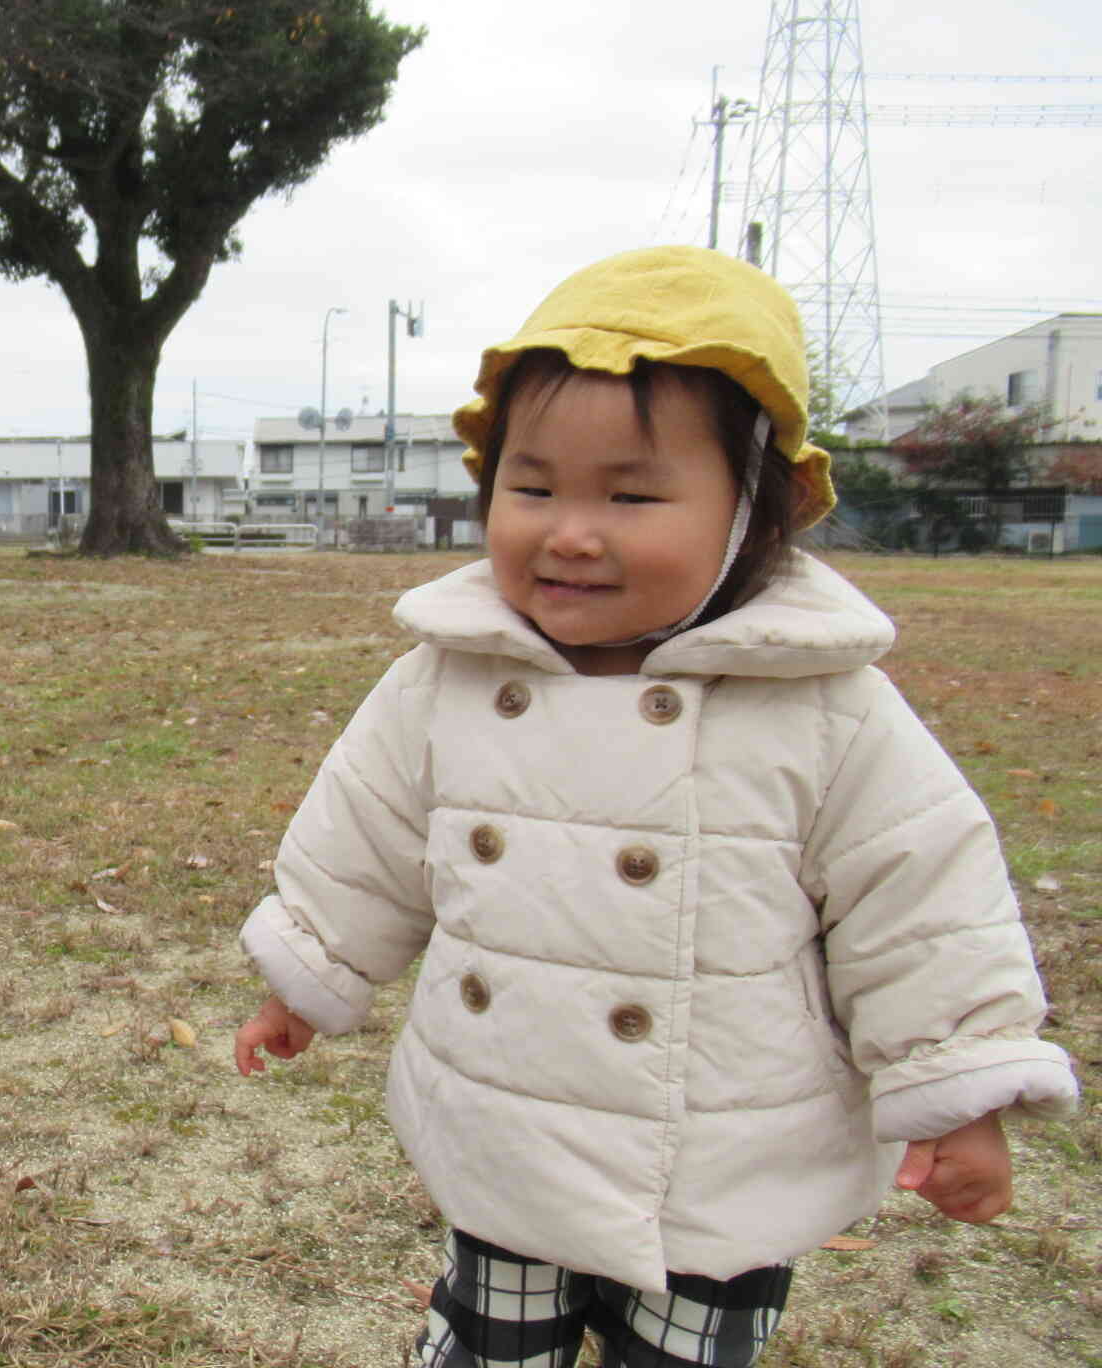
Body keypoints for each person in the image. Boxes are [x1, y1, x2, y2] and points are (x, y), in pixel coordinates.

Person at [231, 246, 1079, 1367]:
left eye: (630, 495)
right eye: (530, 488)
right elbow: (366, 837)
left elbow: (919, 902)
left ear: (750, 513)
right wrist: (308, 974)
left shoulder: (822, 704)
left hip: (722, 1152)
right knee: (486, 1344)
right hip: (510, 1123)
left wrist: (954, 1095)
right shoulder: (450, 676)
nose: (569, 530)